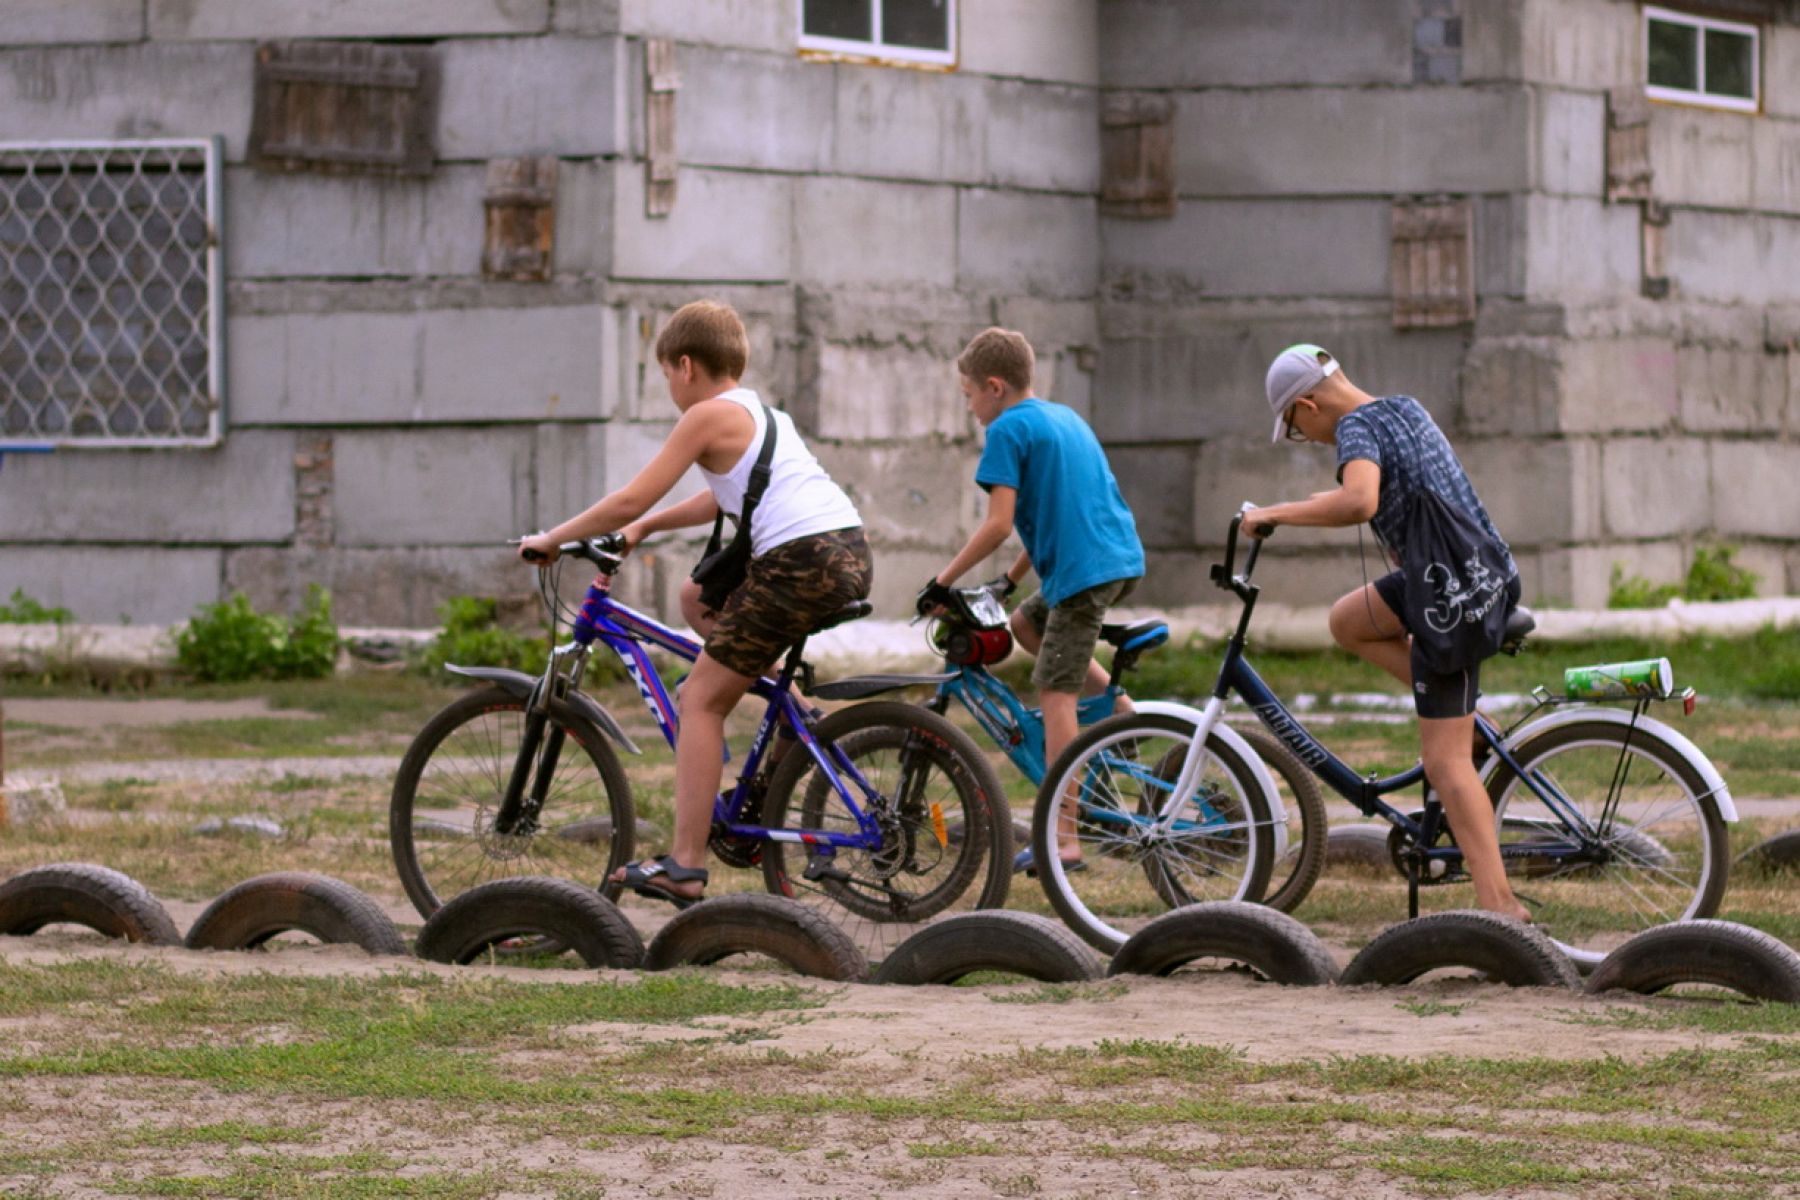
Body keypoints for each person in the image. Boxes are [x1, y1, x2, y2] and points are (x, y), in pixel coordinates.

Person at [520, 300, 870, 907]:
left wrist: (553, 538)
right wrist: (645, 530)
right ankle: (798, 714)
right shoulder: (762, 413)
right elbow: (717, 500)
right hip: (845, 552)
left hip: (799, 562)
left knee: (700, 699)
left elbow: (629, 497)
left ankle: (684, 866)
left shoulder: (705, 416)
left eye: (664, 375)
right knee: (696, 599)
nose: (667, 388)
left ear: (685, 365)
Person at [1241, 343, 1529, 922]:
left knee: (1444, 763)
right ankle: (1472, 724)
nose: (1308, 438)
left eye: (1297, 428)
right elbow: (1382, 488)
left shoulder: (1353, 430)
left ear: (1309, 404)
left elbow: (1360, 499)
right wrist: (1312, 502)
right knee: (1348, 621)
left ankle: (1501, 909)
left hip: (1452, 597)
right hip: (1469, 572)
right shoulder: (1402, 408)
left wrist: (1274, 514)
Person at [919, 326, 1144, 870]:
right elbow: (1052, 515)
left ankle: (1064, 839)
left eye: (969, 393)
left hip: (1083, 574)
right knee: (1025, 624)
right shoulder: (1063, 418)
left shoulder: (1006, 430)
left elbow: (997, 525)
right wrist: (1010, 580)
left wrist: (942, 582)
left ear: (994, 386)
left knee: (1054, 693)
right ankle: (1122, 713)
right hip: (1114, 557)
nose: (970, 407)